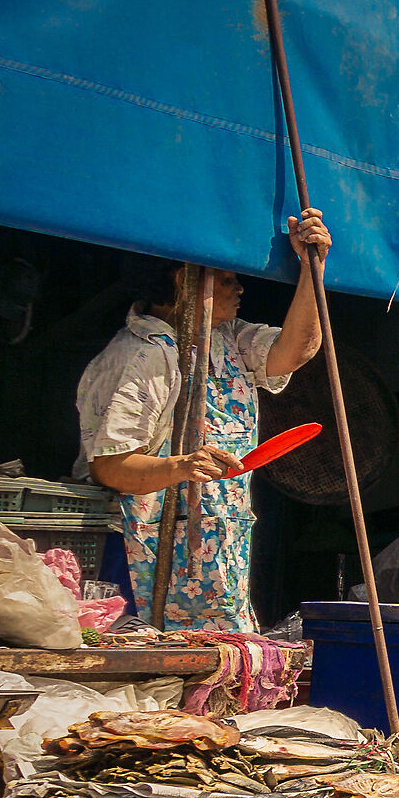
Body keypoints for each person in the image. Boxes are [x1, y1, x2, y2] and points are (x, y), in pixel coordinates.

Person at [76, 213, 330, 631]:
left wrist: (311, 268)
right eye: (227, 278)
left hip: (216, 552)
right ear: (185, 281)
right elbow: (110, 466)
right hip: (152, 553)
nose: (240, 287)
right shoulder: (141, 356)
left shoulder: (226, 338)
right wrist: (182, 466)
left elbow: (294, 351)